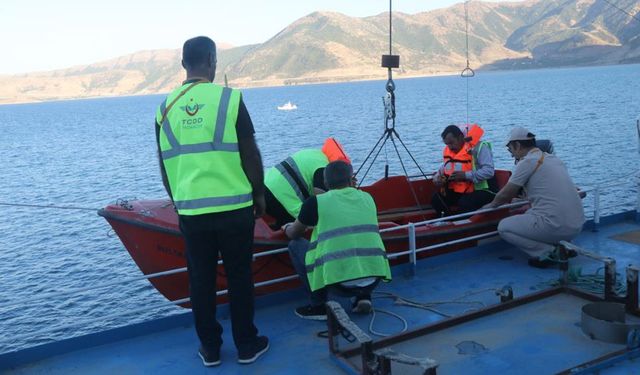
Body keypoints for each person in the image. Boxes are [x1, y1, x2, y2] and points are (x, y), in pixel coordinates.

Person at [155, 36, 268, 367]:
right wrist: (258, 193)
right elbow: (250, 151)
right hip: (234, 209)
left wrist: (179, 200)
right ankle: (247, 344)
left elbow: (165, 164)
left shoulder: (165, 109)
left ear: (183, 64)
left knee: (201, 281)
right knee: (239, 277)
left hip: (192, 212)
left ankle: (210, 349)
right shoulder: (230, 99)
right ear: (211, 60)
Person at [282, 160, 392, 320]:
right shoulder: (368, 198)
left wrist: (286, 227)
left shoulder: (315, 203)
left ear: (326, 183)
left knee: (295, 245)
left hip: (339, 285)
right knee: (357, 241)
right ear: (351, 180)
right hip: (374, 279)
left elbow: (294, 233)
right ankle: (363, 297)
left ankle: (318, 305)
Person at [483, 126, 585, 268]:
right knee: (531, 212)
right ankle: (567, 247)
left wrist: (489, 206)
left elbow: (506, 193)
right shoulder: (554, 160)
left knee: (504, 227)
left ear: (517, 145)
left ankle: (548, 252)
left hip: (557, 226)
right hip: (577, 225)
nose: (512, 154)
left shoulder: (527, 162)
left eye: (510, 149)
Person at [264, 138, 350, 227]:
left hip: (265, 187)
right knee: (306, 221)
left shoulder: (314, 154)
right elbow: (321, 199)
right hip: (279, 197)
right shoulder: (323, 168)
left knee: (287, 219)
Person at [431, 124, 498, 216]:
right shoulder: (451, 152)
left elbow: (489, 171)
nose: (449, 147)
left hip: (484, 190)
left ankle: (464, 225)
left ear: (460, 137)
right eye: (447, 144)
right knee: (437, 198)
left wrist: (466, 175)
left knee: (465, 202)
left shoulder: (480, 148)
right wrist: (437, 178)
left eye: (451, 142)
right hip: (462, 191)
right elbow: (443, 168)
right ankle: (447, 222)